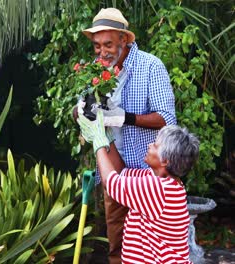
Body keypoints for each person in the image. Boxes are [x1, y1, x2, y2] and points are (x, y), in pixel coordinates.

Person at [76, 7, 177, 263]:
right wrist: (79, 112)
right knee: (117, 241)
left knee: (148, 245)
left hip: (148, 174)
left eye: (108, 44)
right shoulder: (95, 71)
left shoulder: (150, 66)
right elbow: (82, 108)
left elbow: (167, 119)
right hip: (114, 169)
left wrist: (126, 117)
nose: (102, 52)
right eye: (97, 46)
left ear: (124, 39)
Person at [77, 111, 198, 264]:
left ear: (165, 160)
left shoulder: (158, 189)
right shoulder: (161, 181)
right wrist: (108, 138)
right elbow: (121, 173)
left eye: (155, 145)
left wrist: (99, 142)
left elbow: (111, 183)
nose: (149, 145)